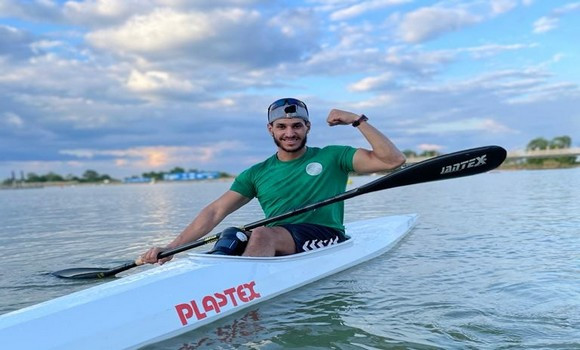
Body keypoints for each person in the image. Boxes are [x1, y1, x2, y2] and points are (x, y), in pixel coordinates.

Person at [140, 98, 405, 264]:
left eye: (297, 126)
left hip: (327, 236)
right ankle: (208, 281)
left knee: (262, 233)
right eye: (282, 127)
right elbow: (214, 211)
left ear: (307, 128)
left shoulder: (333, 156)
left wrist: (357, 120)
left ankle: (242, 290)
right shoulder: (256, 172)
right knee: (231, 236)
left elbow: (392, 161)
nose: (290, 133)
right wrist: (173, 248)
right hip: (275, 241)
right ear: (271, 130)